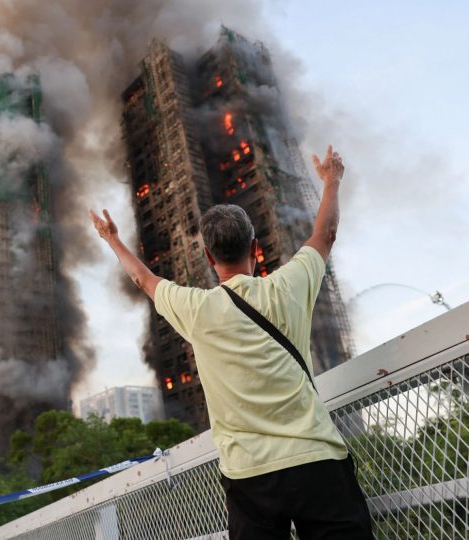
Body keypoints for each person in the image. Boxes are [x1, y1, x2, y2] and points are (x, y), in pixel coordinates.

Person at [89, 145, 373, 539]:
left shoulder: (196, 309)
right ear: (255, 248)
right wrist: (332, 180)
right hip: (316, 460)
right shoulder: (289, 285)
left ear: (208, 256)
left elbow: (143, 279)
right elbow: (324, 234)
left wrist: (112, 240)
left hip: (250, 476)